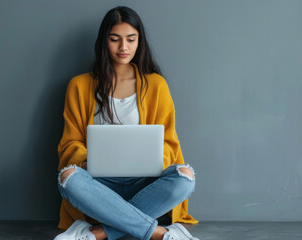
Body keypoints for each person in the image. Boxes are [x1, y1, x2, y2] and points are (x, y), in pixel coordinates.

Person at [55, 6, 199, 240]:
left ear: (139, 41)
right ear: (104, 41)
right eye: (115, 39)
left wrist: (151, 160)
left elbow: (169, 143)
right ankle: (159, 234)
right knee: (68, 178)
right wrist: (87, 160)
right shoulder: (79, 86)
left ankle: (98, 232)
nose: (124, 48)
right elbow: (70, 142)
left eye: (131, 39)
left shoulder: (156, 85)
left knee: (185, 177)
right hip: (98, 185)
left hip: (144, 184)